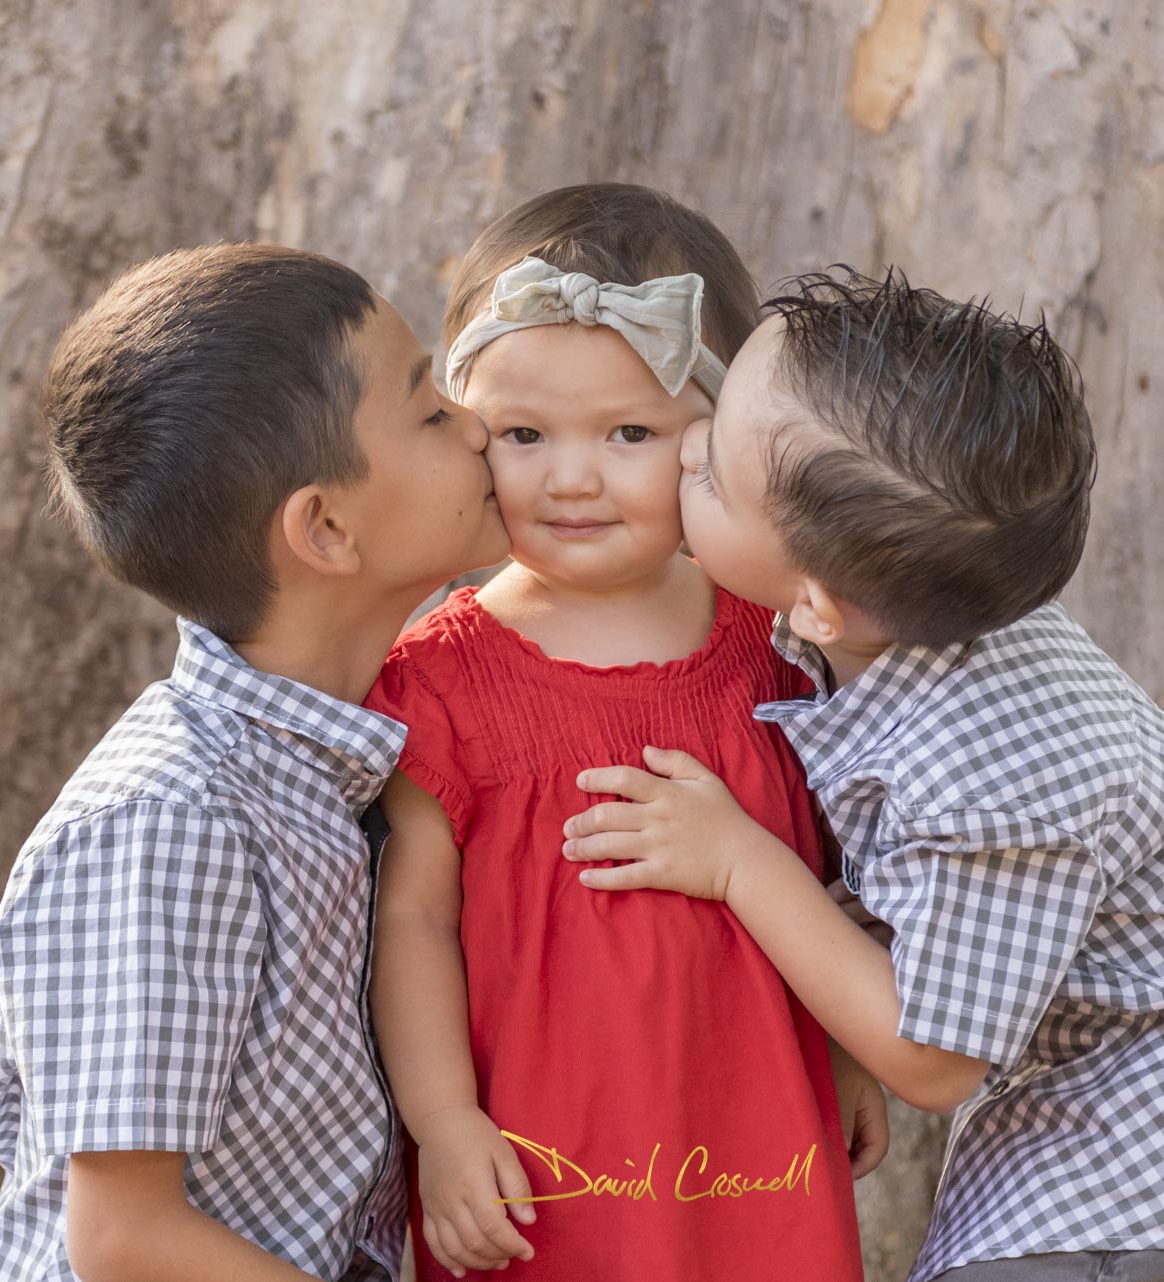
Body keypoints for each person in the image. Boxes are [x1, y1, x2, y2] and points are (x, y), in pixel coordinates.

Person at [562, 270, 1164, 1280]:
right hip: (1123, 1107)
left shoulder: (985, 772)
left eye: (714, 478)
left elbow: (936, 1059)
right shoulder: (915, 616)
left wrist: (738, 861)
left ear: (818, 604)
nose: (686, 444)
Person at [365, 185, 881, 1282]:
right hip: (540, 1162)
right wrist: (446, 1121)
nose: (571, 477)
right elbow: (411, 922)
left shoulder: (776, 642)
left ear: (719, 440)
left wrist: (842, 1049)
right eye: (522, 434)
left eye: (631, 433)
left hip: (754, 1131)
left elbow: (825, 874)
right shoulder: (439, 679)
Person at [0, 244, 509, 1282]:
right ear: (326, 528)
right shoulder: (169, 819)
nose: (479, 423)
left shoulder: (341, 766)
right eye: (432, 411)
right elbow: (128, 1240)